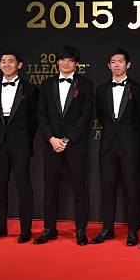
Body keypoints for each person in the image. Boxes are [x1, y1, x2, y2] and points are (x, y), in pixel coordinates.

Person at [35, 46, 94, 246]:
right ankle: (49, 228)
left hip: (76, 145)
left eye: (70, 60)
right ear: (57, 62)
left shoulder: (86, 85)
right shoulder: (46, 84)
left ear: (76, 63)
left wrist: (67, 139)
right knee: (50, 189)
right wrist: (52, 138)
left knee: (79, 189)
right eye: (62, 59)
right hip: (51, 145)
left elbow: (86, 116)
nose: (65, 63)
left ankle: (80, 230)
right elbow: (41, 114)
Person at [91, 49, 140, 247]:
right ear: (108, 65)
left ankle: (133, 231)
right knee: (107, 190)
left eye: (120, 62)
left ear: (128, 65)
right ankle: (107, 229)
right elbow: (101, 116)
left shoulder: (139, 90)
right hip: (107, 146)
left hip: (130, 147)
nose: (116, 65)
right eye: (113, 62)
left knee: (132, 189)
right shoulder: (101, 90)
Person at [0, 51, 38, 243]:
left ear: (19, 65)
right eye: (3, 61)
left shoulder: (31, 89)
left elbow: (34, 120)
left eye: (11, 61)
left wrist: (23, 137)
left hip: (21, 143)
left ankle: (25, 230)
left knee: (24, 187)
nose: (6, 64)